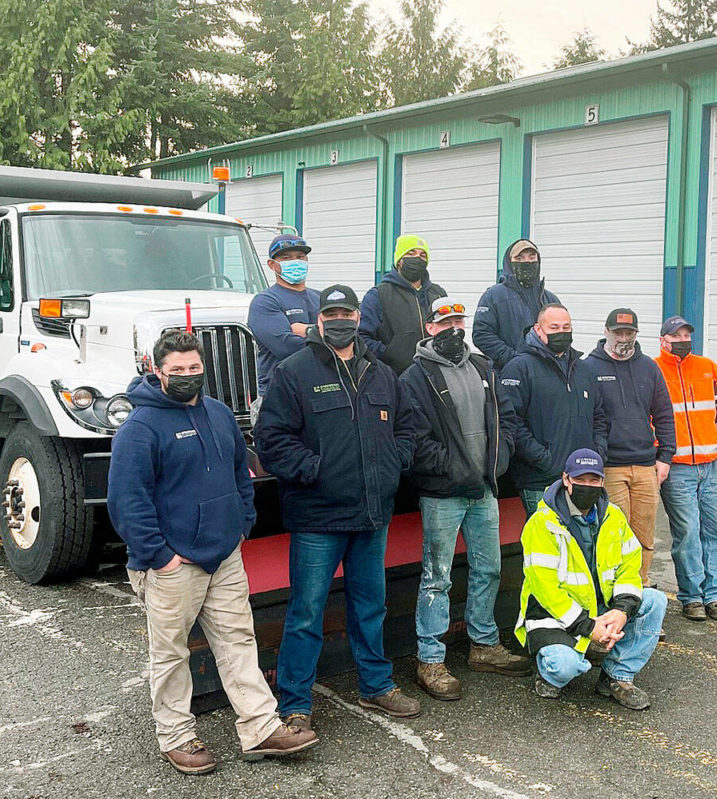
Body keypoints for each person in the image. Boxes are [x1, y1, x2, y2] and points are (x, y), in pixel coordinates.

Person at [107, 330, 318, 775]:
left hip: (223, 556)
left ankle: (260, 727)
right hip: (172, 565)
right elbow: (127, 501)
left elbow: (240, 473)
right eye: (177, 371)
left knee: (238, 641)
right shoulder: (139, 428)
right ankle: (177, 736)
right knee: (171, 653)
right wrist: (159, 556)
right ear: (157, 371)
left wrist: (241, 523)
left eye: (194, 368)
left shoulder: (219, 414)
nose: (187, 376)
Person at [255, 284, 421, 728]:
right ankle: (294, 704)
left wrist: (394, 462)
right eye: (331, 314)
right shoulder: (294, 372)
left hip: (372, 515)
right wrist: (316, 471)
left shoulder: (381, 373)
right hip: (318, 519)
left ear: (357, 318)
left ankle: (376, 686)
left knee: (370, 606)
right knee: (306, 613)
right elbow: (271, 440)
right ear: (320, 320)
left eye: (347, 312)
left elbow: (407, 427)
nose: (340, 320)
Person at [399, 298, 530, 701]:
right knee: (437, 578)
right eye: (446, 322)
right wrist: (455, 471)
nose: (454, 328)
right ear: (430, 327)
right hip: (443, 494)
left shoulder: (483, 366)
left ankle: (483, 645)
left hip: (485, 490)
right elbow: (415, 439)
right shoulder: (414, 377)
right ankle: (431, 659)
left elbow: (505, 419)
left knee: (488, 569)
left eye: (459, 320)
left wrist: (500, 457)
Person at [516, 449, 668, 710]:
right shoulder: (542, 523)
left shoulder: (614, 517)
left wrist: (621, 611)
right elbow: (546, 588)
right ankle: (551, 672)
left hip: (600, 608)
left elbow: (630, 567)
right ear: (566, 479)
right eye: (581, 480)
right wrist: (588, 627)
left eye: (594, 480)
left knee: (655, 600)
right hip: (553, 616)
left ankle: (616, 677)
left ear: (602, 482)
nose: (588, 486)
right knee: (564, 668)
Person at [655, 316, 717, 622]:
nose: (682, 339)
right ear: (662, 340)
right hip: (677, 469)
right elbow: (646, 416)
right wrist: (661, 452)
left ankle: (714, 596)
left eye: (686, 334)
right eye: (675, 335)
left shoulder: (708, 368)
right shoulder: (654, 370)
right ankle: (691, 597)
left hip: (713, 466)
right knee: (688, 534)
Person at [587, 308, 676, 585]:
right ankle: (616, 594)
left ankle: (642, 588)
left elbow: (663, 413)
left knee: (644, 534)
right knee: (616, 533)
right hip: (611, 467)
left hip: (646, 466)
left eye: (629, 332)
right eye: (618, 332)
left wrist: (666, 457)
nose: (623, 338)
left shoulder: (649, 367)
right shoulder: (589, 367)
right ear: (606, 332)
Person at [500, 303, 608, 516]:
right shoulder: (519, 367)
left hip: (582, 478)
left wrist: (598, 453)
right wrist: (545, 460)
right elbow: (511, 423)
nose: (561, 333)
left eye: (566, 328)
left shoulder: (583, 369)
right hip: (540, 481)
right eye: (554, 327)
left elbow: (599, 417)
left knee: (581, 543)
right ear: (538, 329)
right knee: (548, 543)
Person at [359, 234, 446, 375]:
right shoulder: (378, 295)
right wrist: (390, 352)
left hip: (435, 376)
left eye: (423, 255)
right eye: (411, 253)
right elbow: (361, 338)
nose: (417, 258)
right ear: (399, 261)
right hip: (395, 377)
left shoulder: (438, 293)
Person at [247, 234, 321, 398]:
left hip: (320, 391)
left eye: (300, 257)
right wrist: (330, 340)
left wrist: (308, 330)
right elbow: (288, 347)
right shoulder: (265, 302)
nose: (295, 262)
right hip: (280, 394)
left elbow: (348, 335)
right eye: (286, 258)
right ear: (272, 265)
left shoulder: (321, 298)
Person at [473, 239, 560, 372]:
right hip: (509, 373)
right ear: (509, 262)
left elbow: (561, 332)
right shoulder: (493, 296)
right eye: (519, 258)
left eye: (532, 257)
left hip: (546, 372)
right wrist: (513, 359)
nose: (527, 262)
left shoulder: (550, 299)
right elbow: (482, 335)